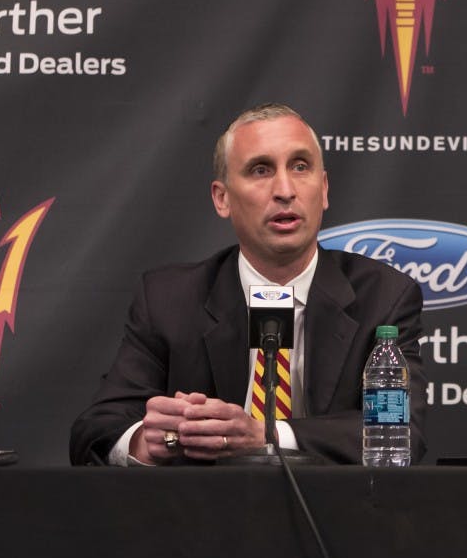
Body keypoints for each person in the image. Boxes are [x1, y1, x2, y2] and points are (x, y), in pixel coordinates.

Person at [70, 104, 426, 465]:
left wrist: (265, 433)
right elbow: (95, 432)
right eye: (261, 170)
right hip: (203, 514)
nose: (285, 190)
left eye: (300, 167)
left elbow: (404, 433)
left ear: (324, 188)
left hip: (335, 515)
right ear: (222, 198)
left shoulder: (384, 297)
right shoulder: (169, 299)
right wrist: (148, 442)